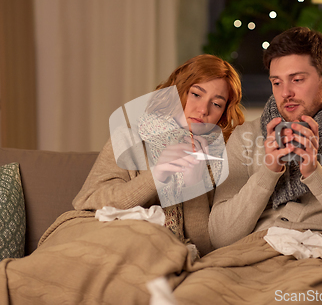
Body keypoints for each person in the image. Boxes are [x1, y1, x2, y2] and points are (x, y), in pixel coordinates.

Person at [208, 27, 322, 250]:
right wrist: (268, 172)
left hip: (317, 256)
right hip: (248, 256)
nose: (285, 92)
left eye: (297, 80)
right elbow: (220, 236)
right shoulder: (245, 135)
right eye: (277, 82)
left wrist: (314, 173)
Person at [73, 54, 244, 255]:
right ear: (178, 91)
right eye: (196, 94)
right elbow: (87, 201)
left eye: (216, 104)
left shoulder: (215, 160)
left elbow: (203, 248)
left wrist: (194, 185)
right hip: (101, 240)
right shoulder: (129, 137)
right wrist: (157, 175)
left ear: (222, 114)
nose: (203, 110)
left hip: (160, 255)